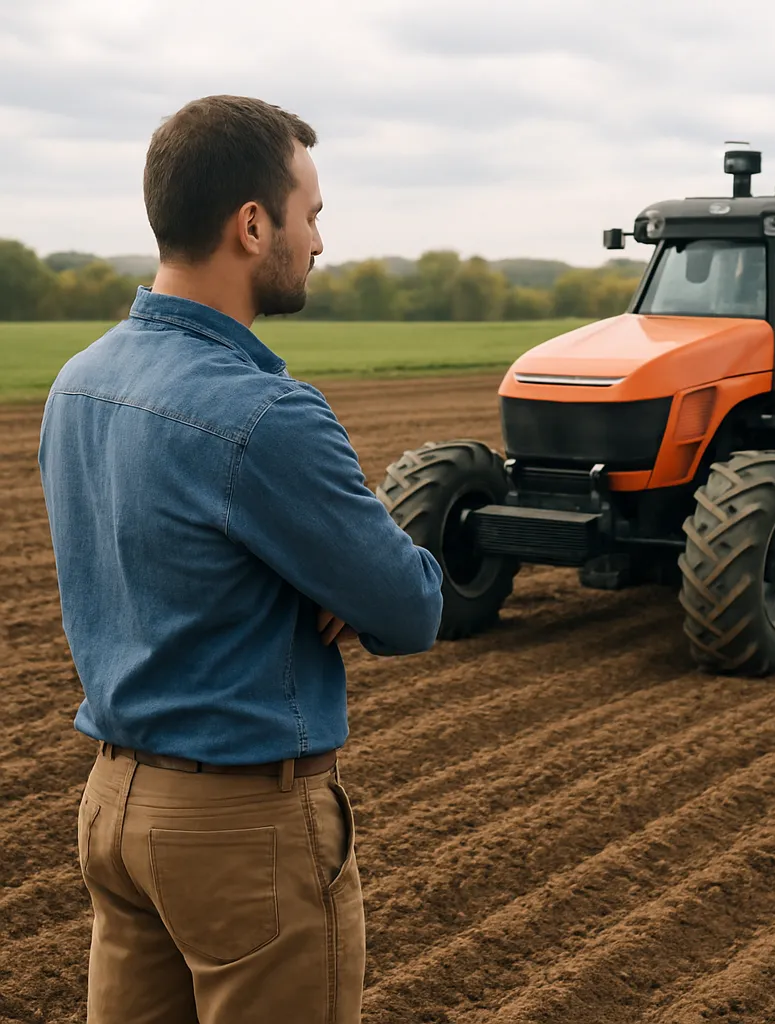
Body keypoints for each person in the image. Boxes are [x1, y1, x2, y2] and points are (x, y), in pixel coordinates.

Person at [36, 95, 443, 1024]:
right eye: (312, 215)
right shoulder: (265, 416)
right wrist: (335, 580)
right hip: (240, 834)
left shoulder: (82, 379)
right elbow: (412, 607)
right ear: (253, 225)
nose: (320, 241)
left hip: (114, 806)